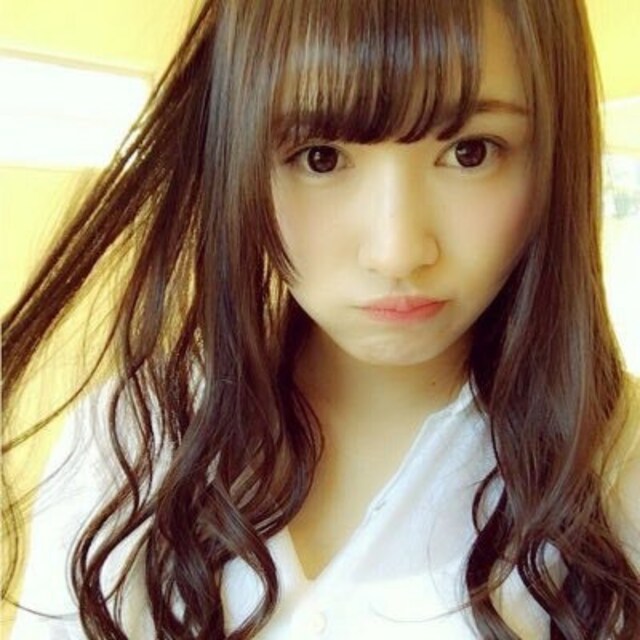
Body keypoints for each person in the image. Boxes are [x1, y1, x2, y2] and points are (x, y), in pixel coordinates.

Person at [2, 0, 639, 638]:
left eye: (470, 152)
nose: (396, 252)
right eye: (321, 157)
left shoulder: (622, 469)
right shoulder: (129, 444)